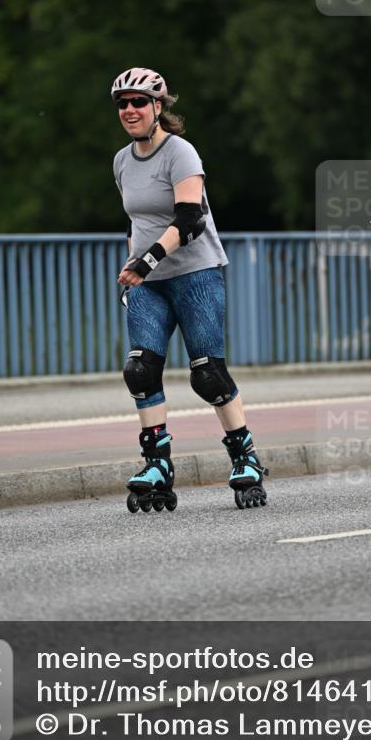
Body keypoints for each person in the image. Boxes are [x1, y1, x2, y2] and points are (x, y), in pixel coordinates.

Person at [111, 67, 268, 512]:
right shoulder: (122, 160)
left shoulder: (180, 153)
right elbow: (135, 220)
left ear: (158, 107)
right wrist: (132, 262)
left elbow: (189, 220)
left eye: (139, 102)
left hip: (195, 275)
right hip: (147, 281)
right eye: (122, 103)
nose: (129, 110)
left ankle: (246, 459)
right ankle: (157, 464)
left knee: (207, 375)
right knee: (140, 370)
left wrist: (146, 261)